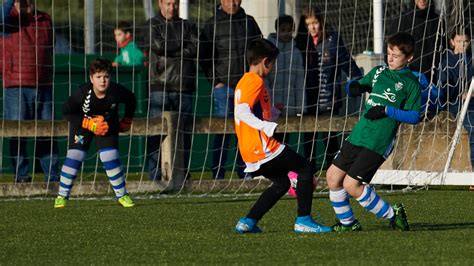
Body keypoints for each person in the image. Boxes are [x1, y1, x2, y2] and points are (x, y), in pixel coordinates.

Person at [233, 38, 332, 234]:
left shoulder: (244, 81)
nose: (273, 67)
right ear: (265, 62)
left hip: (250, 149)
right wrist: (266, 127)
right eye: (273, 63)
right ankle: (304, 220)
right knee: (304, 167)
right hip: (262, 146)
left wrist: (274, 114)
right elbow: (242, 112)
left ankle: (248, 222)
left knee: (281, 183)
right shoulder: (255, 81)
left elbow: (251, 110)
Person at [326, 32, 421, 232]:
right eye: (388, 53)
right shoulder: (379, 72)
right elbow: (361, 84)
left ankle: (393, 214)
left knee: (352, 185)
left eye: (396, 55)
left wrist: (388, 110)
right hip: (360, 134)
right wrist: (353, 87)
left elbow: (414, 116)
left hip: (379, 141)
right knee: (333, 177)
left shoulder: (411, 83)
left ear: (409, 57)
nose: (391, 58)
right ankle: (349, 224)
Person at [54, 58, 136, 208]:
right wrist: (88, 124)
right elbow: (66, 111)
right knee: (75, 156)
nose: (103, 81)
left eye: (106, 77)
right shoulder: (82, 92)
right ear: (92, 78)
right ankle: (61, 196)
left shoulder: (116, 91)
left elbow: (131, 99)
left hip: (107, 125)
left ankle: (122, 195)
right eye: (98, 77)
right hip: (82, 125)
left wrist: (127, 120)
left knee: (109, 156)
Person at [200, 0, 262, 179]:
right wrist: (215, 81)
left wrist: (253, 79)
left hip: (246, 88)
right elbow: (205, 55)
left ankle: (246, 172)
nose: (233, 3)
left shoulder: (249, 22)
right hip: (223, 87)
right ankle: (218, 173)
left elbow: (258, 51)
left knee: (246, 131)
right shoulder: (212, 24)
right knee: (222, 131)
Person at [295, 6, 362, 169]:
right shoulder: (300, 43)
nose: (313, 27)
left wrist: (359, 80)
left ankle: (331, 167)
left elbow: (346, 61)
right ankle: (308, 168)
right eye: (308, 23)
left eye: (315, 22)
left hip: (329, 96)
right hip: (307, 97)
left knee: (329, 135)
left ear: (321, 22)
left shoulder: (332, 39)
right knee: (308, 136)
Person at [0, 0, 59, 183]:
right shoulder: (7, 20)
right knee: (17, 134)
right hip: (16, 86)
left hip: (43, 84)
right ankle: (22, 176)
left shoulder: (45, 19)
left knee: (47, 133)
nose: (28, 3)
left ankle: (53, 176)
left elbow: (51, 44)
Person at [142, 0, 198, 181]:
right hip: (160, 85)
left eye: (174, 4)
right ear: (160, 3)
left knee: (184, 132)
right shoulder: (152, 24)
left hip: (184, 86)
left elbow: (196, 48)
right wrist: (183, 44)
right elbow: (158, 46)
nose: (171, 8)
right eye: (167, 3)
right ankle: (155, 175)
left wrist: (171, 48)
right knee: (157, 132)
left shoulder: (188, 25)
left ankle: (181, 173)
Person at [266, 15, 305, 144]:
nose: (286, 33)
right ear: (277, 30)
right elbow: (265, 81)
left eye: (289, 30)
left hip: (289, 106)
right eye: (283, 30)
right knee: (271, 140)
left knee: (285, 142)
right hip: (272, 107)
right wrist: (269, 105)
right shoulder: (269, 51)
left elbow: (299, 82)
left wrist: (300, 108)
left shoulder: (296, 53)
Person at [438, 28, 473, 167]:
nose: (462, 45)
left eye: (465, 41)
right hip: (456, 103)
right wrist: (461, 93)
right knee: (473, 126)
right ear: (452, 42)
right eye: (459, 41)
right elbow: (444, 89)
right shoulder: (446, 63)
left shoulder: (471, 60)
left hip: (472, 100)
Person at [386, 0, 443, 82]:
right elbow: (389, 48)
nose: (422, 0)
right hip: (403, 77)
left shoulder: (438, 20)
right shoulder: (401, 19)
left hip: (430, 78)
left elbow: (442, 50)